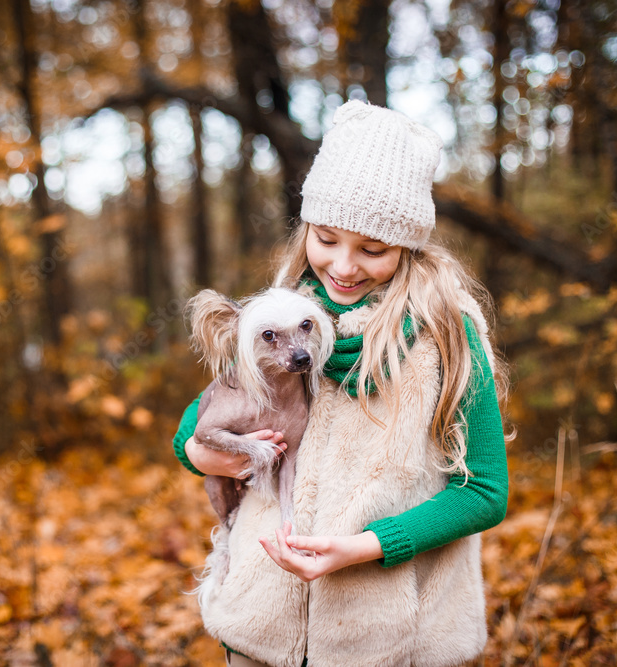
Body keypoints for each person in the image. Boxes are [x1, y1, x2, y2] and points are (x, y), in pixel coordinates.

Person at [172, 99, 512, 667]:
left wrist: (362, 548)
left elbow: (484, 492)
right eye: (326, 239)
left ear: (407, 245)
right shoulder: (286, 323)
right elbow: (201, 419)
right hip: (262, 632)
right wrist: (199, 455)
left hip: (392, 641)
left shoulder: (447, 339)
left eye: (373, 249)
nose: (345, 266)